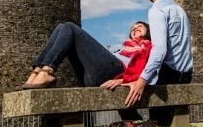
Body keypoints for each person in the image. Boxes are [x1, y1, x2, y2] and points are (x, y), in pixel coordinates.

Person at [122, 0, 193, 109]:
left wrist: (142, 81)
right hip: (186, 74)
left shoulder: (156, 10)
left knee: (129, 88)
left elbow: (160, 49)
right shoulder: (179, 9)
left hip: (169, 74)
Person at [17, 22, 152, 89]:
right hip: (92, 77)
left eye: (139, 26)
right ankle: (37, 71)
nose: (135, 28)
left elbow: (146, 69)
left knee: (69, 27)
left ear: (148, 31)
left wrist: (124, 80)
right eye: (132, 28)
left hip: (116, 71)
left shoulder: (148, 46)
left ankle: (47, 70)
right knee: (61, 27)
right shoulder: (123, 48)